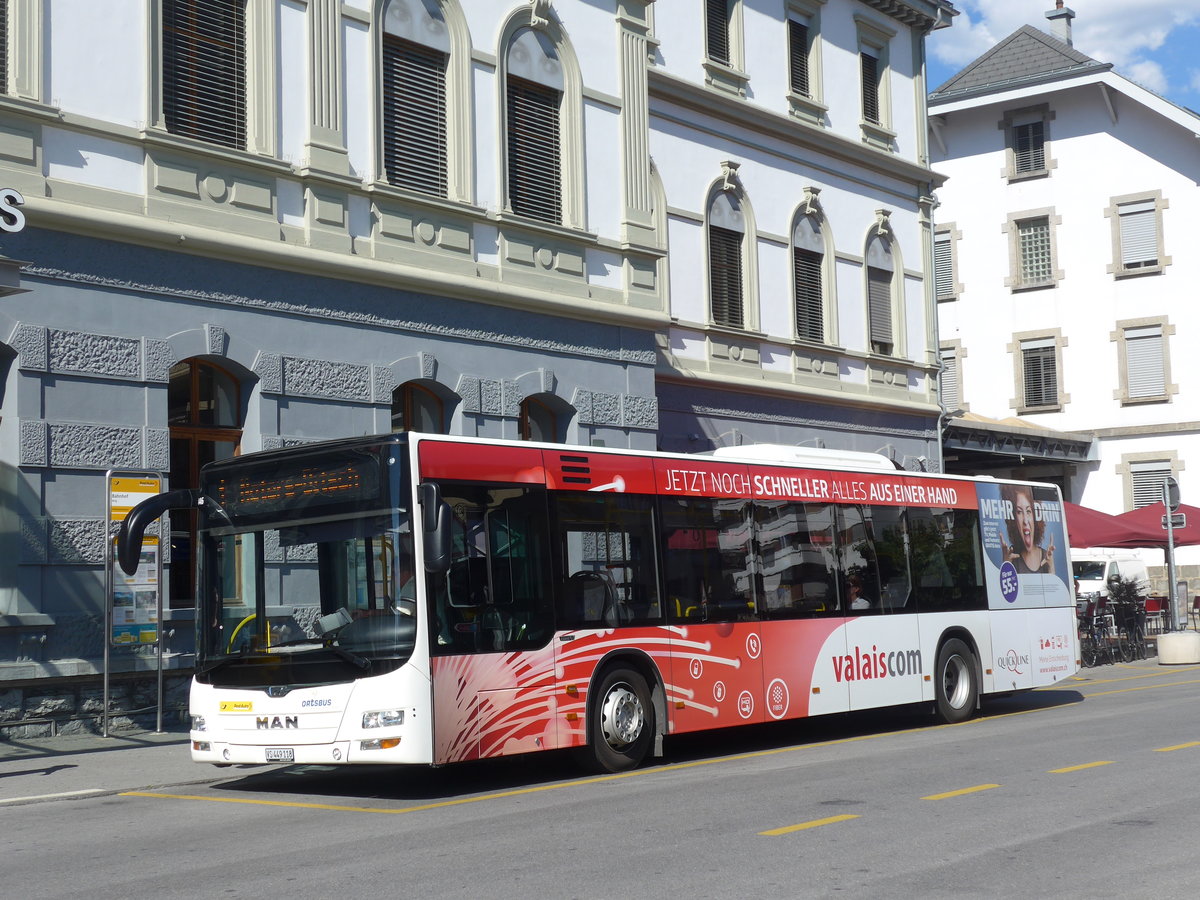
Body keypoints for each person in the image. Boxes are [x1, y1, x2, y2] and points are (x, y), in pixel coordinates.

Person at [1000, 484, 1055, 575]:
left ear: (1035, 516)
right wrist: (1006, 565)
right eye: (1019, 512)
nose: (1025, 520)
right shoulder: (1011, 557)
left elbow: (1054, 588)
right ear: (1014, 519)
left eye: (1028, 511)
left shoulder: (1047, 557)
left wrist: (1051, 567)